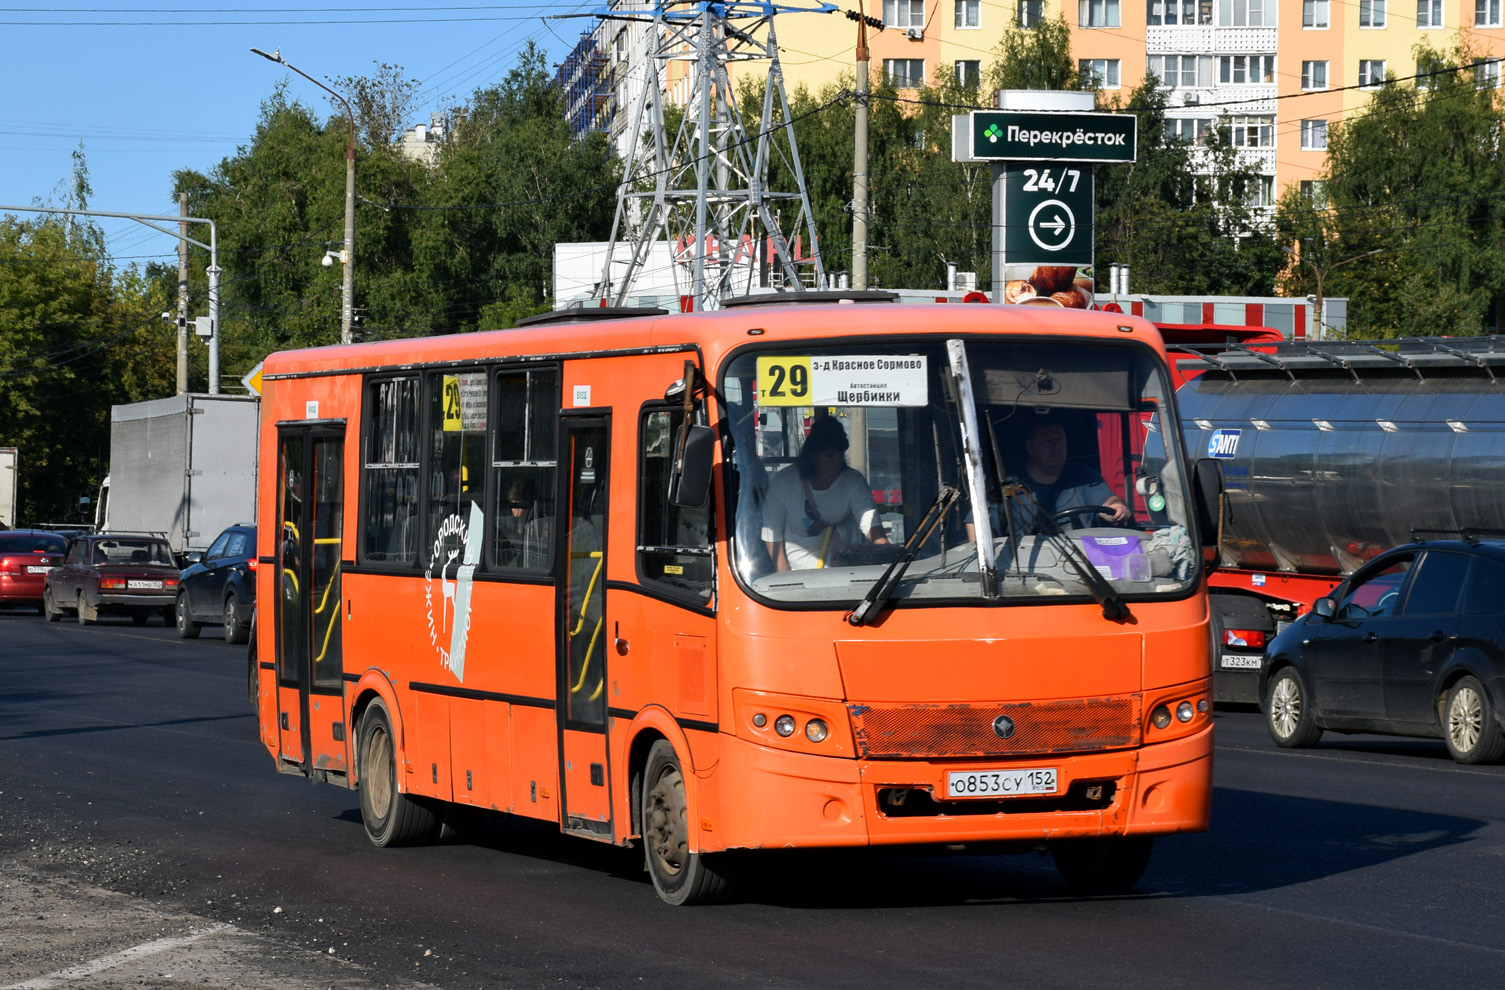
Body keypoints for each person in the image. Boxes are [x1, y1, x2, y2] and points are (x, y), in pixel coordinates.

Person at [762, 416, 888, 570]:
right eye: (830, 455)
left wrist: (885, 553)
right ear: (813, 456)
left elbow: (870, 522)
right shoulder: (784, 484)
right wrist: (784, 579)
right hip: (802, 578)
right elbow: (772, 535)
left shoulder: (852, 481)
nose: (838, 460)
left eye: (841, 455)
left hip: (850, 574)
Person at [1008, 418, 1130, 531]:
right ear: (1030, 447)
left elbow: (1107, 501)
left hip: (1079, 552)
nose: (1056, 447)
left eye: (1060, 440)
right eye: (1048, 441)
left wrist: (1117, 507)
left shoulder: (1083, 477)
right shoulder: (1010, 485)